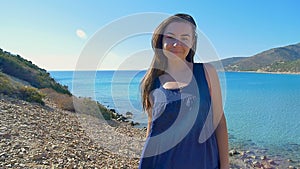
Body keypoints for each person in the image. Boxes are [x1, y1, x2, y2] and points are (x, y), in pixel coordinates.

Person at [139, 13, 229, 169]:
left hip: (202, 162)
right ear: (161, 40)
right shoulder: (152, 82)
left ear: (192, 42)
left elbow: (219, 123)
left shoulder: (207, 72)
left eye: (185, 38)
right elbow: (152, 129)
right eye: (170, 37)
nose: (176, 44)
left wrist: (225, 165)